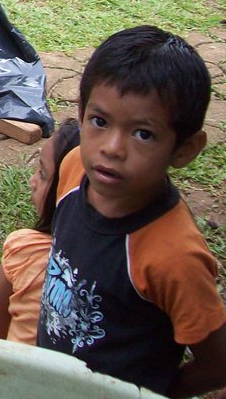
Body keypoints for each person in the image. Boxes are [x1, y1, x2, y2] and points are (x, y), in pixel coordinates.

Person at [36, 26, 226, 396]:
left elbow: (218, 363)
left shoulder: (174, 257)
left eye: (143, 134)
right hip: (45, 378)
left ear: (185, 149)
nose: (112, 148)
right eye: (100, 121)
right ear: (82, 112)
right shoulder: (74, 167)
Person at [0, 119, 80, 343]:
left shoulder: (27, 248)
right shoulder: (131, 265)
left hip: (12, 370)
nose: (33, 181)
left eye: (43, 174)